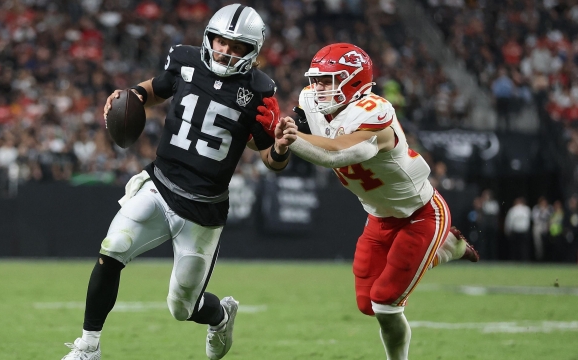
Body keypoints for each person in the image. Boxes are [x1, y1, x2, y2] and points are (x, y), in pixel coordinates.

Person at [60, 4, 297, 360]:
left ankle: (219, 316)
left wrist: (279, 148)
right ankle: (88, 347)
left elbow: (269, 158)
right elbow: (156, 88)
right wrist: (132, 95)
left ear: (253, 53)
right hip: (159, 185)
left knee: (182, 307)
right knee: (112, 250)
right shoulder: (185, 62)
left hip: (203, 210)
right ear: (208, 37)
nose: (225, 51)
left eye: (237, 47)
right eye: (220, 41)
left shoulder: (259, 91)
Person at [256, 43, 479, 360]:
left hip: (420, 214)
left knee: (385, 303)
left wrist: (293, 138)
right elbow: (286, 144)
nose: (317, 87)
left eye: (328, 80)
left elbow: (341, 152)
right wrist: (276, 140)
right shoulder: (309, 100)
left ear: (355, 81)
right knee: (366, 303)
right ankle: (447, 247)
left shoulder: (375, 110)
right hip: (377, 216)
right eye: (316, 79)